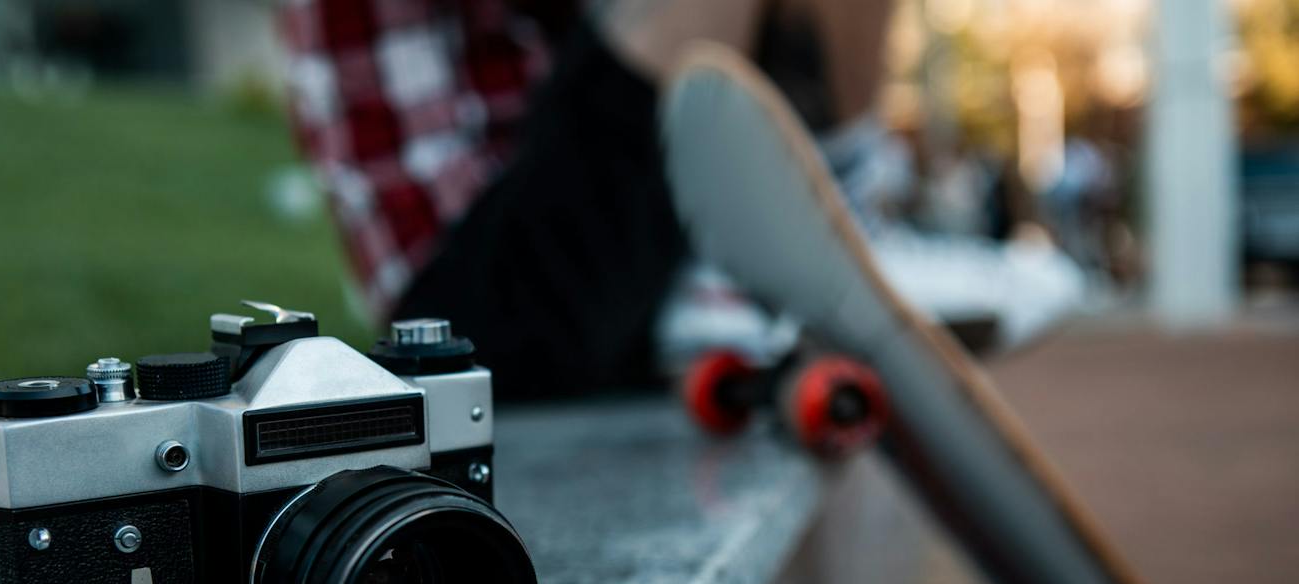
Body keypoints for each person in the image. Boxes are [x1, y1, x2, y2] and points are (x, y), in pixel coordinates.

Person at [276, 0, 1078, 398]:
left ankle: (843, 225)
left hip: (647, 224)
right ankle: (797, 257)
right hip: (482, 317)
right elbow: (456, 316)